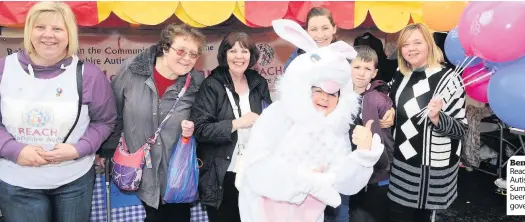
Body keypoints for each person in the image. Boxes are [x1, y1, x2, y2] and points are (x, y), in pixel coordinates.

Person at [237, 19, 385, 222]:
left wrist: (363, 155)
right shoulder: (278, 116)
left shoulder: (333, 130)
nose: (324, 98)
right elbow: (256, 170)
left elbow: (344, 183)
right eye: (318, 90)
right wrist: (310, 180)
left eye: (333, 94)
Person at [0, 2, 117, 221]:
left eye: (57, 29)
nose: (48, 35)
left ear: (69, 34)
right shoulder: (1, 70)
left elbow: (105, 122)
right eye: (40, 27)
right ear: (29, 31)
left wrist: (79, 149)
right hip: (16, 184)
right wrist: (14, 150)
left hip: (74, 182)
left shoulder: (89, 75)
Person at [99, 23, 206, 222]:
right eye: (181, 50)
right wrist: (107, 150)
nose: (187, 58)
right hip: (144, 168)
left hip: (178, 170)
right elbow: (113, 112)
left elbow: (204, 121)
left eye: (194, 54)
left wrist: (193, 129)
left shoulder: (197, 82)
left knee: (178, 216)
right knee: (155, 214)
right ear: (165, 47)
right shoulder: (131, 71)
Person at [386, 23, 468, 222]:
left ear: (429, 45)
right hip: (401, 165)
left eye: (417, 42)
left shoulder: (450, 79)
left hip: (431, 173)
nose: (411, 48)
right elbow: (394, 107)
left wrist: (438, 118)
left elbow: (461, 130)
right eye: (405, 44)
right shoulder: (400, 74)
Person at [191, 32, 272, 222]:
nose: (239, 56)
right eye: (233, 51)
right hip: (222, 174)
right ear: (224, 55)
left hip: (254, 171)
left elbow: (270, 122)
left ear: (251, 56)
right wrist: (237, 123)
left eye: (244, 51)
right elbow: (201, 129)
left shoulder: (258, 83)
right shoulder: (212, 85)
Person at [349, 45, 395, 222]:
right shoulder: (341, 96)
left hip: (377, 174)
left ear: (374, 73)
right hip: (352, 170)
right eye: (357, 67)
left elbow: (382, 140)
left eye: (367, 69)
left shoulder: (375, 98)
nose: (361, 73)